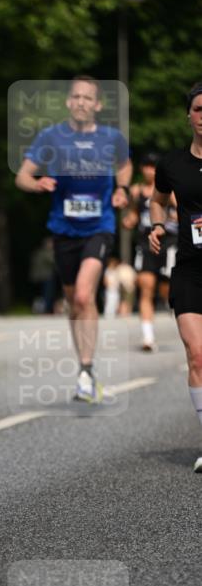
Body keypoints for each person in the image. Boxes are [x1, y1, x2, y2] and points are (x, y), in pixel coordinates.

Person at [15, 75, 132, 402]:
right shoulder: (51, 137)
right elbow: (22, 175)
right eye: (76, 97)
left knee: (83, 295)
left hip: (100, 226)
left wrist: (121, 189)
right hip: (63, 230)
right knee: (73, 302)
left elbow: (124, 166)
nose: (81, 102)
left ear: (97, 104)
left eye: (87, 98)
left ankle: (86, 368)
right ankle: (84, 367)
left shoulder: (111, 138)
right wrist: (36, 183)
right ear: (69, 102)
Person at [149, 82, 202, 473]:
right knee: (198, 355)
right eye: (199, 109)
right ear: (189, 116)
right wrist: (156, 224)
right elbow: (157, 199)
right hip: (189, 270)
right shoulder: (172, 164)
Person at [123, 152, 177, 350]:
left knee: (167, 290)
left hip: (168, 242)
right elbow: (133, 215)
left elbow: (183, 212)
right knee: (145, 287)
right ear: (142, 169)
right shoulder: (136, 191)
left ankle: (181, 314)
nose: (150, 171)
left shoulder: (168, 190)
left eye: (154, 167)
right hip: (145, 243)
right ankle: (147, 337)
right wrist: (128, 221)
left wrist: (169, 219)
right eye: (147, 166)